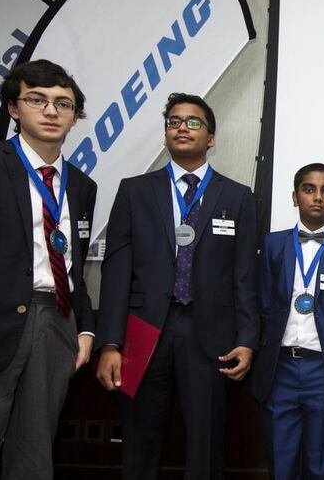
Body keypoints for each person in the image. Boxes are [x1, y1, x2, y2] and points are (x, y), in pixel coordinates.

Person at [95, 93, 259, 480]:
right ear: (166, 133)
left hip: (211, 336)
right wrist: (109, 343)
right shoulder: (134, 191)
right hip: (143, 331)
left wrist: (249, 338)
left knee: (206, 445)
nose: (182, 127)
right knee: (140, 441)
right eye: (173, 121)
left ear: (212, 138)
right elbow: (117, 271)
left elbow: (245, 274)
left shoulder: (237, 197)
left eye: (193, 122)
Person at [0, 59, 97, 480]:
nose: (51, 110)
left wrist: (84, 328)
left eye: (64, 103)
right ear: (12, 108)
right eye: (37, 99)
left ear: (75, 116)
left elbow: (72, 262)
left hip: (57, 322)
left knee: (35, 454)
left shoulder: (81, 185)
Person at [252, 163, 324, 479]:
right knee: (281, 463)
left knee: (323, 465)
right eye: (309, 189)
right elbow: (262, 302)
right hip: (280, 369)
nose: (318, 197)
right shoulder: (273, 244)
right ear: (294, 195)